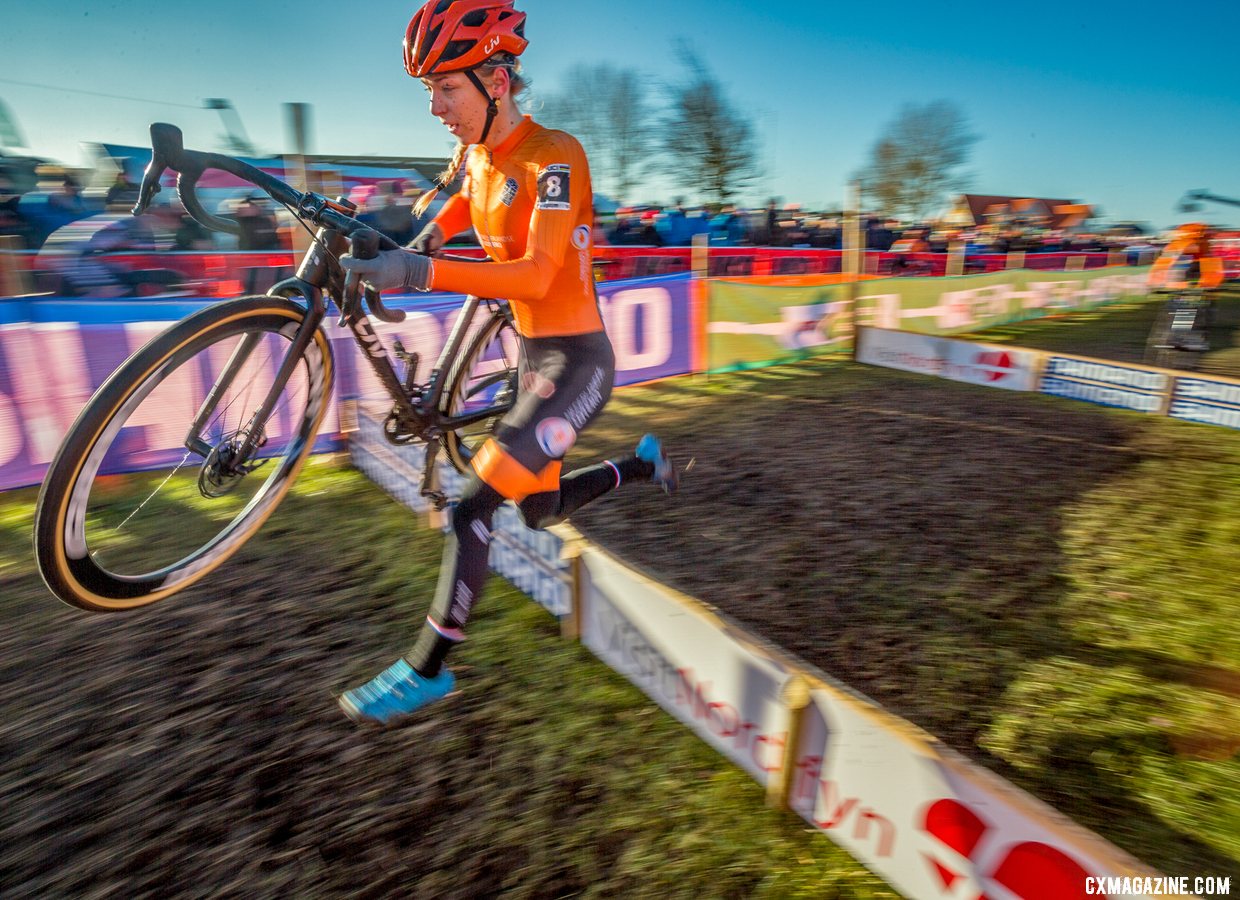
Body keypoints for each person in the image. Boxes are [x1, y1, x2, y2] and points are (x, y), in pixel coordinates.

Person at [336, 0, 678, 725]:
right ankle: (643, 467)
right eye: (428, 91)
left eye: (446, 89)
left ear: (497, 79)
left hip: (578, 362)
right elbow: (454, 212)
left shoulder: (555, 153)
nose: (435, 107)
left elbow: (533, 275)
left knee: (470, 509)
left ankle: (427, 669)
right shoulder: (479, 157)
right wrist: (402, 247)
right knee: (540, 507)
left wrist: (420, 274)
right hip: (532, 358)